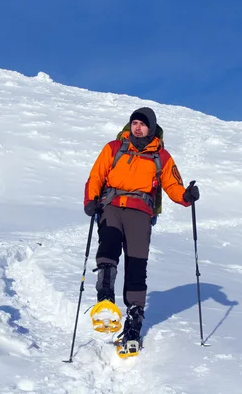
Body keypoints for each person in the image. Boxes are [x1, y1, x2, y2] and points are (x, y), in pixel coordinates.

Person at [83, 107, 200, 352]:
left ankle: (134, 320)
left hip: (141, 211)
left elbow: (172, 185)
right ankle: (105, 299)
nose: (137, 127)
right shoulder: (114, 148)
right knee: (109, 246)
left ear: (152, 127)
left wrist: (186, 196)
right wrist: (91, 200)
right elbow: (96, 175)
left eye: (142, 124)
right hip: (111, 205)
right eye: (134, 123)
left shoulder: (161, 156)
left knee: (137, 265)